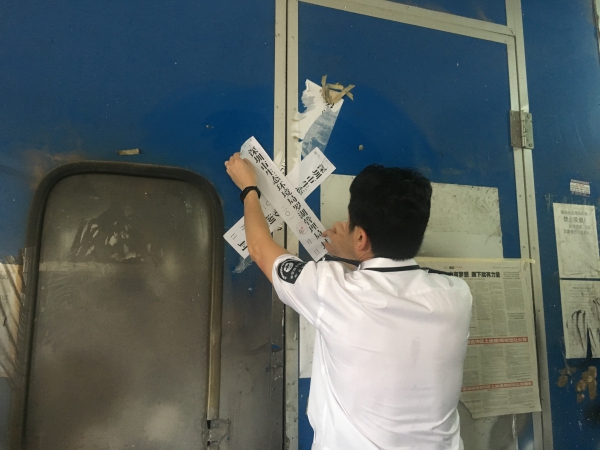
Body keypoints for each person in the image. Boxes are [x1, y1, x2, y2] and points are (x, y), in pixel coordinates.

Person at [225, 153, 472, 450]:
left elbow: (259, 248)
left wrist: (249, 188)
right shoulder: (457, 295)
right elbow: (385, 288)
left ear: (361, 238)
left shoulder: (331, 290)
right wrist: (353, 254)